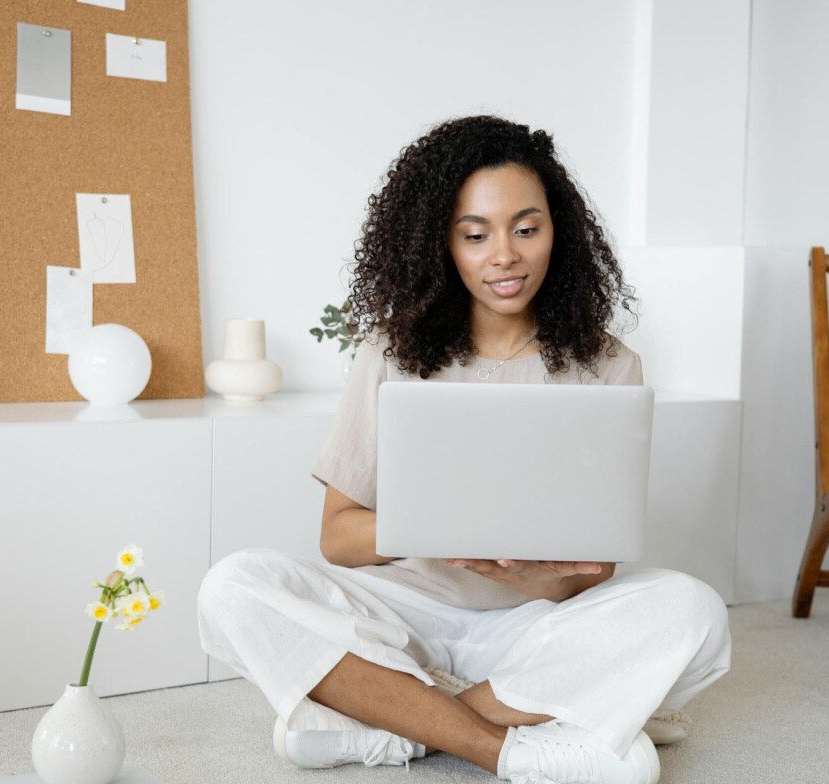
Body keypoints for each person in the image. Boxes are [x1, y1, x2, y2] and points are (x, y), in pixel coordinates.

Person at [197, 115, 730, 784]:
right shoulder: (390, 353)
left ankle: (395, 724)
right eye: (475, 235)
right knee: (234, 586)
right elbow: (337, 538)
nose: (504, 255)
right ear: (440, 245)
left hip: (530, 628)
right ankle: (506, 745)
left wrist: (536, 575)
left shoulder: (610, 366)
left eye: (526, 229)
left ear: (557, 234)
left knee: (694, 610)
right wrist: (435, 530)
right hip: (401, 620)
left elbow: (598, 571)